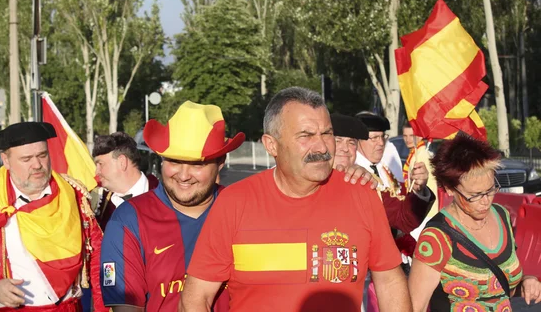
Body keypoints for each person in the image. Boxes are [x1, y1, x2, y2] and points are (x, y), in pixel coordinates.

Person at [180, 87, 411, 312]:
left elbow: (390, 281)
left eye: (327, 133)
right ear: (271, 145)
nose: (321, 147)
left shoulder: (362, 193)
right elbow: (196, 297)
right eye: (306, 136)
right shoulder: (234, 202)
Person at [0, 122, 107, 311]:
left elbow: (98, 256)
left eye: (42, 155)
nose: (37, 165)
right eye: (26, 159)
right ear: (5, 160)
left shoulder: (73, 194)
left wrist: (104, 307)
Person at [99, 101, 244, 311]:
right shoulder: (128, 220)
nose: (184, 175)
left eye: (197, 164)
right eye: (174, 161)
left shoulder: (242, 209)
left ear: (221, 161)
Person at [409, 133, 541, 311]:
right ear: (449, 189)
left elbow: (499, 288)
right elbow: (414, 307)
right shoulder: (436, 237)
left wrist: (527, 282)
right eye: (474, 195)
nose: (485, 201)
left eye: (490, 190)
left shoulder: (502, 216)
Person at [331, 113, 431, 238]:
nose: (345, 148)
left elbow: (403, 220)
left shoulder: (366, 183)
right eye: (338, 141)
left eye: (351, 142)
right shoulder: (307, 182)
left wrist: (418, 190)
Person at [92, 132, 159, 230]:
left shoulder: (165, 197)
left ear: (122, 162)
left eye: (101, 164)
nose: (97, 172)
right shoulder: (98, 203)